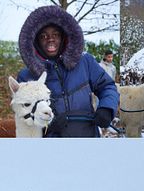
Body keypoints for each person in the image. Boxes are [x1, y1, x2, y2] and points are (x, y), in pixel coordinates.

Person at [17, 6, 119, 137]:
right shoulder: (26, 76)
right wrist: (46, 124)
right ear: (35, 41)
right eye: (43, 36)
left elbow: (107, 86)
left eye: (55, 34)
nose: (50, 39)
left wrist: (106, 108)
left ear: (63, 37)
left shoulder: (85, 62)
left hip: (88, 136)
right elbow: (22, 115)